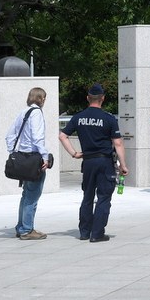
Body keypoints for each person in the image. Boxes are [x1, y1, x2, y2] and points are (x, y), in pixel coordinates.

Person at [59, 83, 129, 243]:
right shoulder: (109, 119)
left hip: (88, 161)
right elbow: (118, 144)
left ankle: (84, 232)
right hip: (104, 162)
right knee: (104, 197)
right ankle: (97, 233)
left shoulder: (79, 117)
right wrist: (123, 165)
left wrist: (74, 153)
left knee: (87, 196)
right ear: (102, 99)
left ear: (87, 98)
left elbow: (62, 136)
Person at [5, 87, 53, 241]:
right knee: (32, 195)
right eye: (44, 98)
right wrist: (45, 156)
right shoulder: (37, 113)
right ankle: (27, 229)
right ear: (41, 99)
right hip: (34, 159)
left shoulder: (23, 113)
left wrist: (12, 151)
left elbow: (10, 135)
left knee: (26, 195)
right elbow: (38, 137)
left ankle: (21, 227)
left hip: (23, 158)